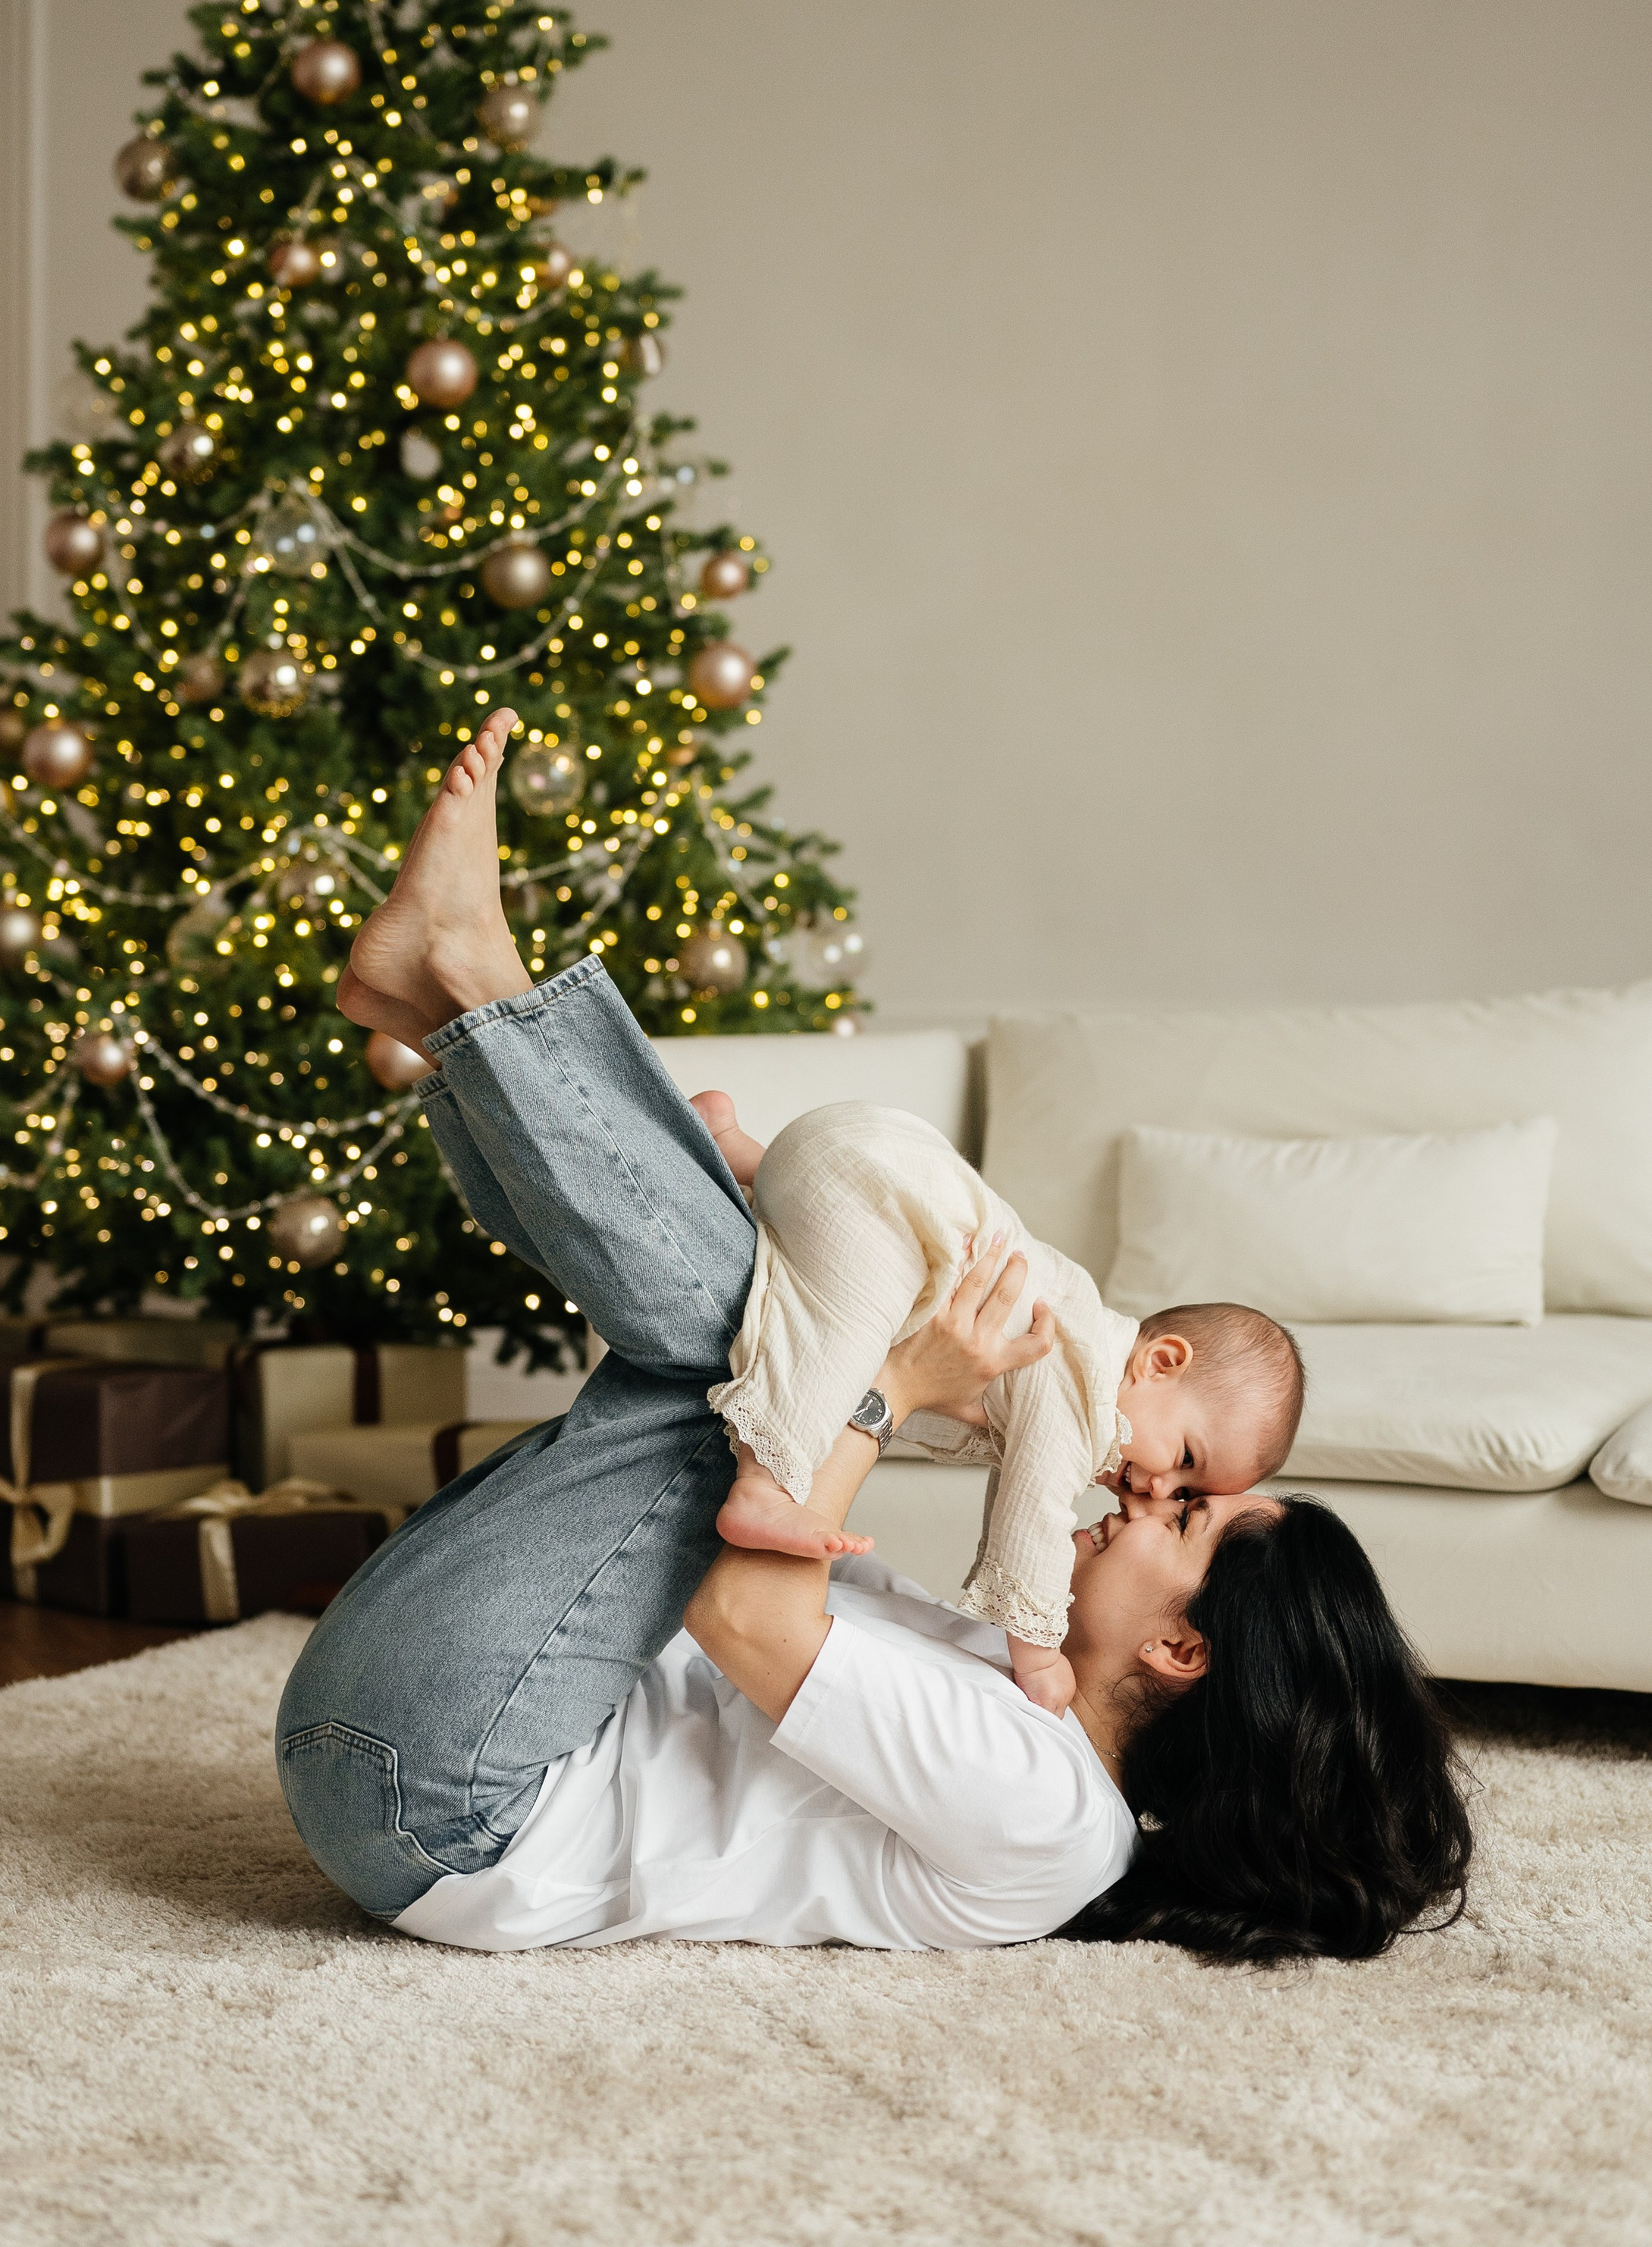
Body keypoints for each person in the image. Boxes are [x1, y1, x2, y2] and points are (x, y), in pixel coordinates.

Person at [277, 710, 1472, 1963]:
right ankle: (450, 1005)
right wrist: (925, 1383)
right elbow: (778, 1554)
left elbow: (748, 1607)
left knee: (743, 1377)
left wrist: (895, 1386)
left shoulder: (1052, 1809)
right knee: (749, 1339)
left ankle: (466, 991)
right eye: (1182, 1482)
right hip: (460, 1719)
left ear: (1184, 1646)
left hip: (453, 1794)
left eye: (1186, 1515)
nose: (1140, 1494)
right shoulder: (1023, 1702)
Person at [688, 1094, 1305, 1719]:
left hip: (868, 1171)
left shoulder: (1082, 1337)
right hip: (879, 1191)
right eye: (1183, 1460)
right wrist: (1037, 1655)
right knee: (834, 1337)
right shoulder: (1081, 1389)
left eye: (1179, 1496)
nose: (1153, 1488)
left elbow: (1012, 1491)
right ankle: (762, 1486)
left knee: (819, 1291)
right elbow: (1032, 1515)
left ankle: (733, 1152)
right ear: (1162, 1362)